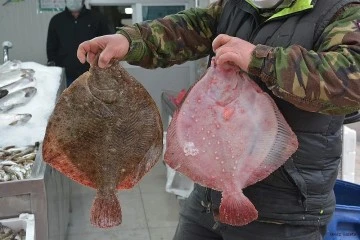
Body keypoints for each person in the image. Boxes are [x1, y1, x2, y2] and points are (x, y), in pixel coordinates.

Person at [77, 0, 360, 239]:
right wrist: (129, 41)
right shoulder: (234, 6)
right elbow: (185, 29)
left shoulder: (339, 11)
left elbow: (353, 79)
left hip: (288, 210)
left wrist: (259, 60)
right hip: (208, 199)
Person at [46, 0, 110, 86]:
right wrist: (53, 65)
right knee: (68, 98)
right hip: (66, 75)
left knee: (92, 99)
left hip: (92, 74)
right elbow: (51, 47)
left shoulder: (97, 18)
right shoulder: (56, 20)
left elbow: (106, 43)